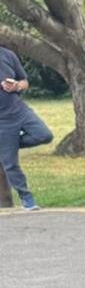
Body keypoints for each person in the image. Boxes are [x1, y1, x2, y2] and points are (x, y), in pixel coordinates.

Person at [0, 45, 53, 210]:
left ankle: (7, 146)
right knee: (10, 164)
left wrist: (17, 86)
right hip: (2, 120)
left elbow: (24, 81)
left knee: (44, 135)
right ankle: (27, 198)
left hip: (20, 110)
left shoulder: (7, 55)